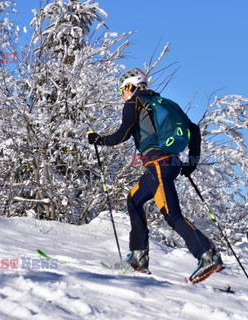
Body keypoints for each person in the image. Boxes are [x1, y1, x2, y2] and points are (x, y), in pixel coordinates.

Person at [87, 68, 223, 283]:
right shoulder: (167, 103)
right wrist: (192, 163)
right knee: (133, 199)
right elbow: (194, 130)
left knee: (173, 215)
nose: (122, 95)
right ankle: (138, 258)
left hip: (158, 164)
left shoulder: (134, 103)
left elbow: (121, 135)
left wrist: (98, 139)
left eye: (123, 90)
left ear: (131, 87)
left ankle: (207, 254)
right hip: (167, 164)